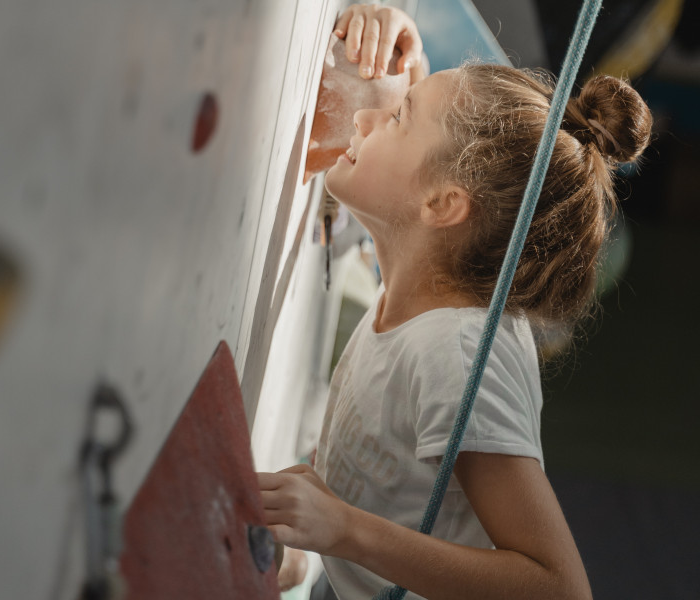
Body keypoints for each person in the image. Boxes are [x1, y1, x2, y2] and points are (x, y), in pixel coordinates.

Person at [258, 6, 653, 600]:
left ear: (443, 206)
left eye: (396, 117)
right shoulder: (428, 280)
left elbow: (560, 589)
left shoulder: (456, 354)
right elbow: (429, 155)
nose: (366, 117)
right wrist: (396, 42)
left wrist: (342, 530)